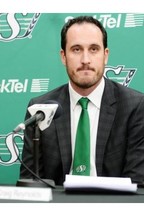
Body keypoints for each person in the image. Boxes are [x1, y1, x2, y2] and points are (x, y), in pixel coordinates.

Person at [20, 15, 144, 185]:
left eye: (94, 49)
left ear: (105, 55)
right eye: (76, 49)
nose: (85, 60)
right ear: (63, 56)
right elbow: (31, 181)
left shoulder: (135, 106)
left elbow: (137, 182)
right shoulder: (40, 108)